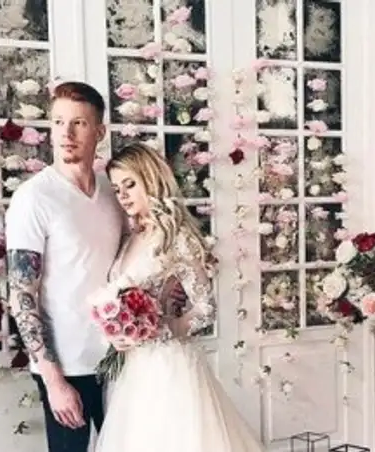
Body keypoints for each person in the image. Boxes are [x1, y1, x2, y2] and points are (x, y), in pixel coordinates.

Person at [93, 142, 265, 452]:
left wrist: (162, 327)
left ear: (151, 179)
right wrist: (119, 332)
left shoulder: (177, 237)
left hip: (168, 364)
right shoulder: (132, 237)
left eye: (130, 184)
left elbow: (205, 308)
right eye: (117, 189)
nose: (123, 196)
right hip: (133, 368)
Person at [4, 81, 125, 451]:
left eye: (79, 123)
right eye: (58, 122)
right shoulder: (34, 198)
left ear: (99, 132)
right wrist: (53, 379)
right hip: (67, 366)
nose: (66, 134)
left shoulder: (113, 192)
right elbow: (22, 293)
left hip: (118, 359)